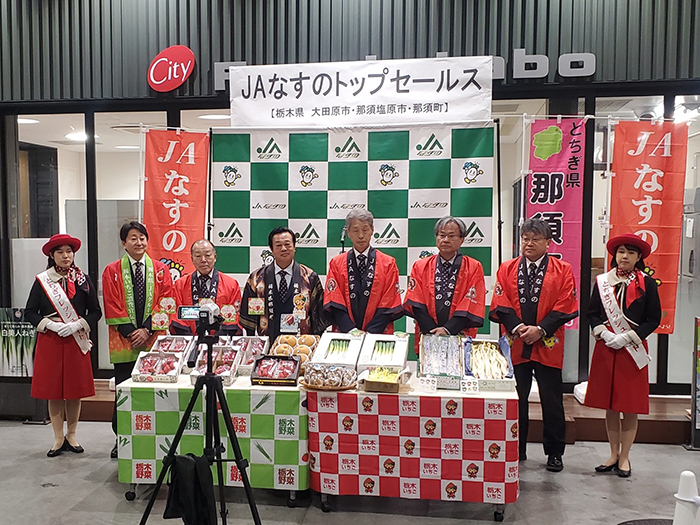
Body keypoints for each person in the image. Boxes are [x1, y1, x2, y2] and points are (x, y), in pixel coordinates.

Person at [489, 218, 578, 472]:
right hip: (516, 342)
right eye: (525, 239)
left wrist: (540, 330)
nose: (528, 243)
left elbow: (565, 304)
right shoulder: (507, 268)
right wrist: (518, 327)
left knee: (552, 400)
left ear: (548, 242)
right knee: (516, 398)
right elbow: (500, 301)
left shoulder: (562, 269)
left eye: (535, 239)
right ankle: (516, 449)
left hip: (547, 343)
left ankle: (554, 453)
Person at [585, 234, 660, 478]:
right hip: (607, 348)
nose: (624, 256)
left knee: (629, 405)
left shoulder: (647, 284)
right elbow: (592, 313)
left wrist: (627, 337)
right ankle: (613, 454)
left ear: (638, 257)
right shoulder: (603, 282)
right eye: (620, 252)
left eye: (630, 252)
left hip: (632, 350)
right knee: (610, 405)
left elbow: (653, 319)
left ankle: (625, 456)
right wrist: (603, 333)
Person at [25, 234, 102, 457]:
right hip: (51, 340)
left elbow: (95, 312)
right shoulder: (42, 281)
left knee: (74, 391)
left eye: (69, 251)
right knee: (54, 391)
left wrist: (78, 324)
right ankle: (58, 438)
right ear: (52, 255)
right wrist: (49, 325)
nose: (65, 256)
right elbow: (30, 312)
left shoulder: (83, 280)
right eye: (60, 252)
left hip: (76, 339)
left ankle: (72, 435)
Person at [102, 222, 173, 458]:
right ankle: (121, 438)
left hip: (153, 340)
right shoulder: (111, 271)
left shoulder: (161, 270)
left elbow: (167, 302)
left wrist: (147, 330)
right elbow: (111, 305)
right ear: (124, 243)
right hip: (125, 342)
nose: (139, 242)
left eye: (142, 238)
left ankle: (156, 438)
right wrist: (133, 332)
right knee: (124, 392)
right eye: (133, 238)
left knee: (155, 391)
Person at [403, 216, 485, 352]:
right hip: (428, 334)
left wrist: (447, 330)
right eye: (442, 235)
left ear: (462, 239)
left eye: (451, 236)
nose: (446, 240)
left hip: (459, 336)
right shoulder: (420, 266)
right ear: (436, 237)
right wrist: (432, 331)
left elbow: (471, 304)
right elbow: (415, 301)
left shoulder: (473, 267)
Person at [239, 226, 326, 341]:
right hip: (267, 342)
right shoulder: (257, 278)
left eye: (287, 244)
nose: (284, 249)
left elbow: (318, 316)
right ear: (271, 249)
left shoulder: (309, 277)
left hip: (300, 344)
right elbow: (249, 318)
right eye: (278, 245)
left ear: (294, 247)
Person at [324, 209, 403, 333]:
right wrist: (351, 331)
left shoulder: (388, 263)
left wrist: (371, 333)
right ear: (348, 233)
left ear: (372, 231)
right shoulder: (336, 263)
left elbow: (389, 301)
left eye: (365, 230)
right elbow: (334, 300)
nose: (361, 235)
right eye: (355, 230)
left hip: (378, 333)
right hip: (346, 333)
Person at [170, 239, 243, 337]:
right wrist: (192, 340)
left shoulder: (231, 284)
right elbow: (176, 316)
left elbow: (234, 318)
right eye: (198, 256)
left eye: (207, 255)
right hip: (189, 340)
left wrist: (217, 339)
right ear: (192, 259)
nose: (203, 260)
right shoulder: (180, 285)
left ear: (215, 257)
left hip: (221, 342)